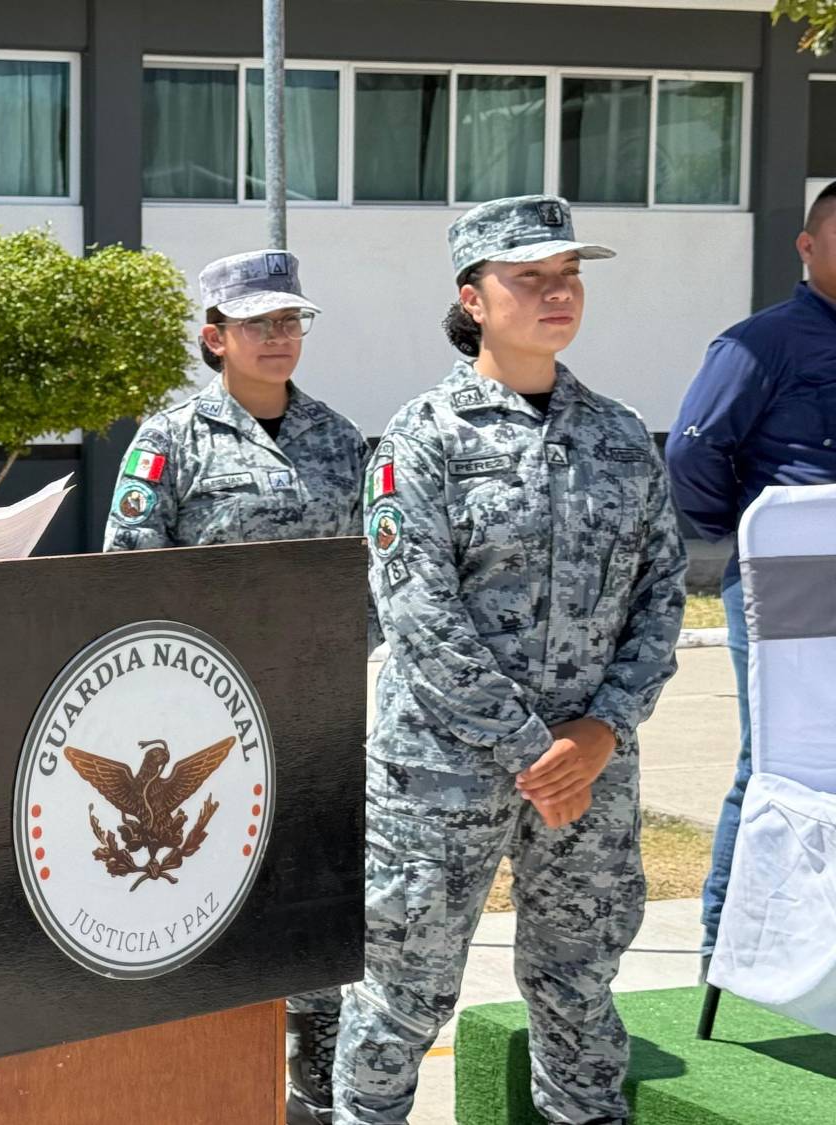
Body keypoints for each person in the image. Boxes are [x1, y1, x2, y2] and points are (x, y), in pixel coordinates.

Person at [333, 196, 686, 1125]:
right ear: (473, 299)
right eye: (528, 277)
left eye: (567, 274)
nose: (557, 292)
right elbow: (417, 613)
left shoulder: (620, 435)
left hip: (592, 768)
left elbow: (662, 595)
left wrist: (603, 729)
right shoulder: (423, 436)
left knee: (579, 983)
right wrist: (538, 751)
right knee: (401, 994)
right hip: (441, 770)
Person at [102, 248, 366, 1124]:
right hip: (202, 723)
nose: (279, 336)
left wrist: (341, 661)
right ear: (215, 337)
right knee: (204, 899)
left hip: (314, 714)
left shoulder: (340, 439)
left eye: (291, 320)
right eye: (259, 323)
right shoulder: (168, 441)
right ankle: (200, 1079)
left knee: (314, 898)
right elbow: (128, 577)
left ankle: (315, 1080)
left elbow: (373, 578)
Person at [667, 180, 836, 965]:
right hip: (790, 580)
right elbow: (692, 452)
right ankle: (725, 949)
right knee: (774, 759)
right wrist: (739, 532)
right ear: (807, 246)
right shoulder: (760, 343)